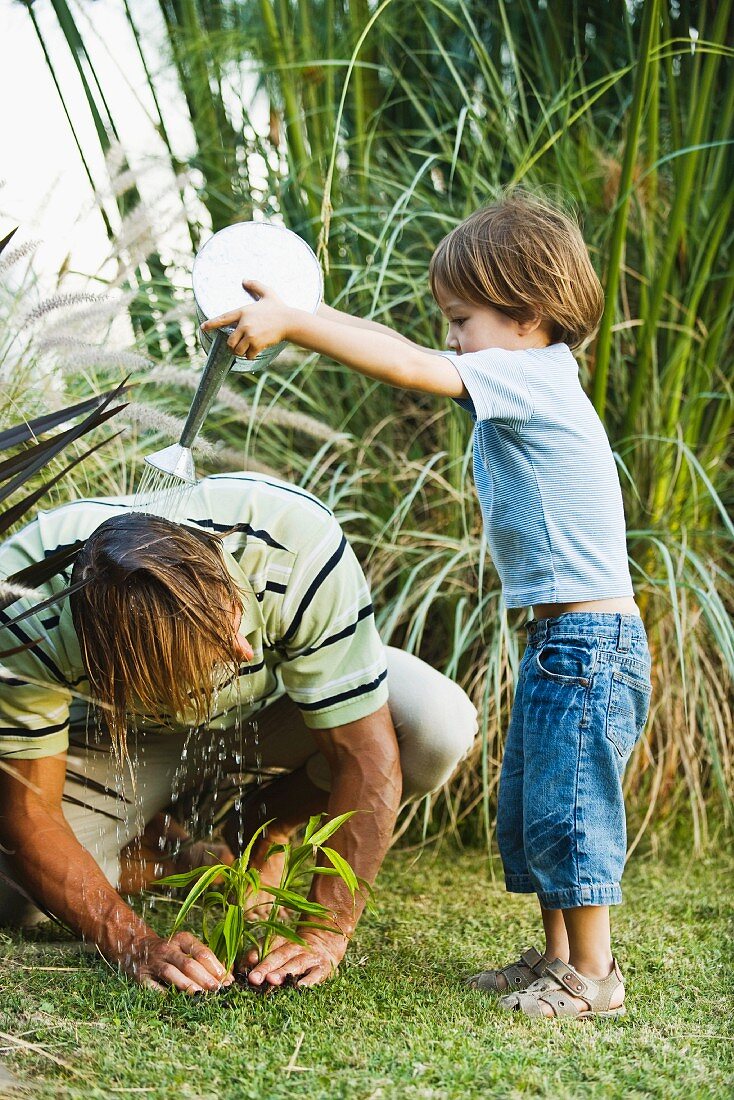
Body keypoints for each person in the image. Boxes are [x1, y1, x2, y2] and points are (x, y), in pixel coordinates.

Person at [201, 191, 653, 1020]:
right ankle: (555, 958)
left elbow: (414, 366)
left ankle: (593, 975)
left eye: (464, 316)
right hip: (564, 640)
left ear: (528, 314)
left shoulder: (533, 376)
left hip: (592, 642)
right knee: (534, 802)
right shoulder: (525, 370)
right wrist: (305, 308)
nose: (451, 336)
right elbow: (408, 347)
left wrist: (300, 331)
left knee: (571, 807)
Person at [0, 472, 477, 993]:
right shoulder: (22, 605)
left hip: (281, 707)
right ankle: (177, 851)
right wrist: (134, 943)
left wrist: (323, 933)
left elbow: (363, 755)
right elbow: (30, 812)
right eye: (212, 655)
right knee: (16, 892)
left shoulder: (294, 540)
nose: (242, 651)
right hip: (128, 737)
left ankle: (263, 825)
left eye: (234, 623)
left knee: (435, 725)